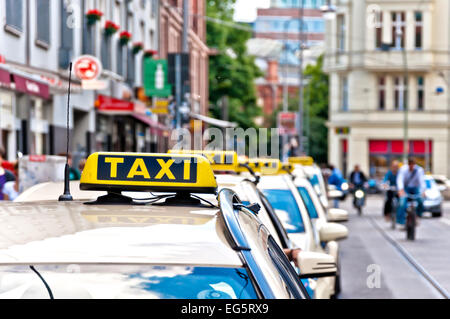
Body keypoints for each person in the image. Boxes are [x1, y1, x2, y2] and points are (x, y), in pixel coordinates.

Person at [396, 158, 425, 228]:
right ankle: (401, 221)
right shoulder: (403, 169)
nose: (411, 166)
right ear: (408, 164)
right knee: (402, 202)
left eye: (413, 165)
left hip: (415, 188)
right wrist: (401, 190)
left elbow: (422, 181)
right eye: (410, 165)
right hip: (406, 188)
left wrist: (423, 191)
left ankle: (418, 216)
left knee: (420, 200)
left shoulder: (419, 170)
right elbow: (400, 180)